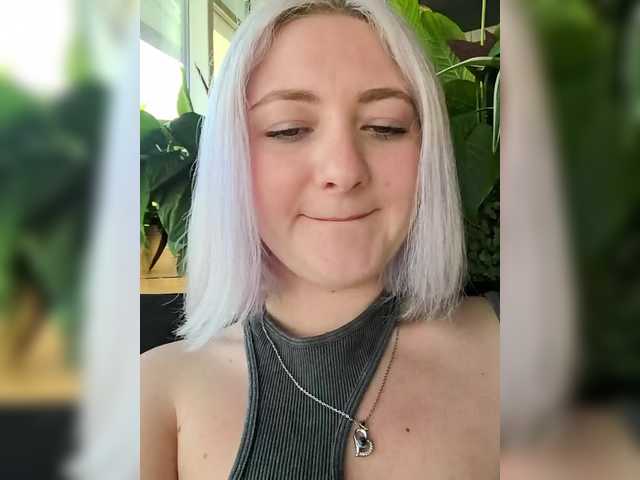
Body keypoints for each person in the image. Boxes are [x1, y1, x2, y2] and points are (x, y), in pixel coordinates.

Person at [141, 1, 498, 479]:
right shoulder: (155, 396)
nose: (344, 171)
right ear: (232, 156)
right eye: (288, 129)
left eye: (385, 127)